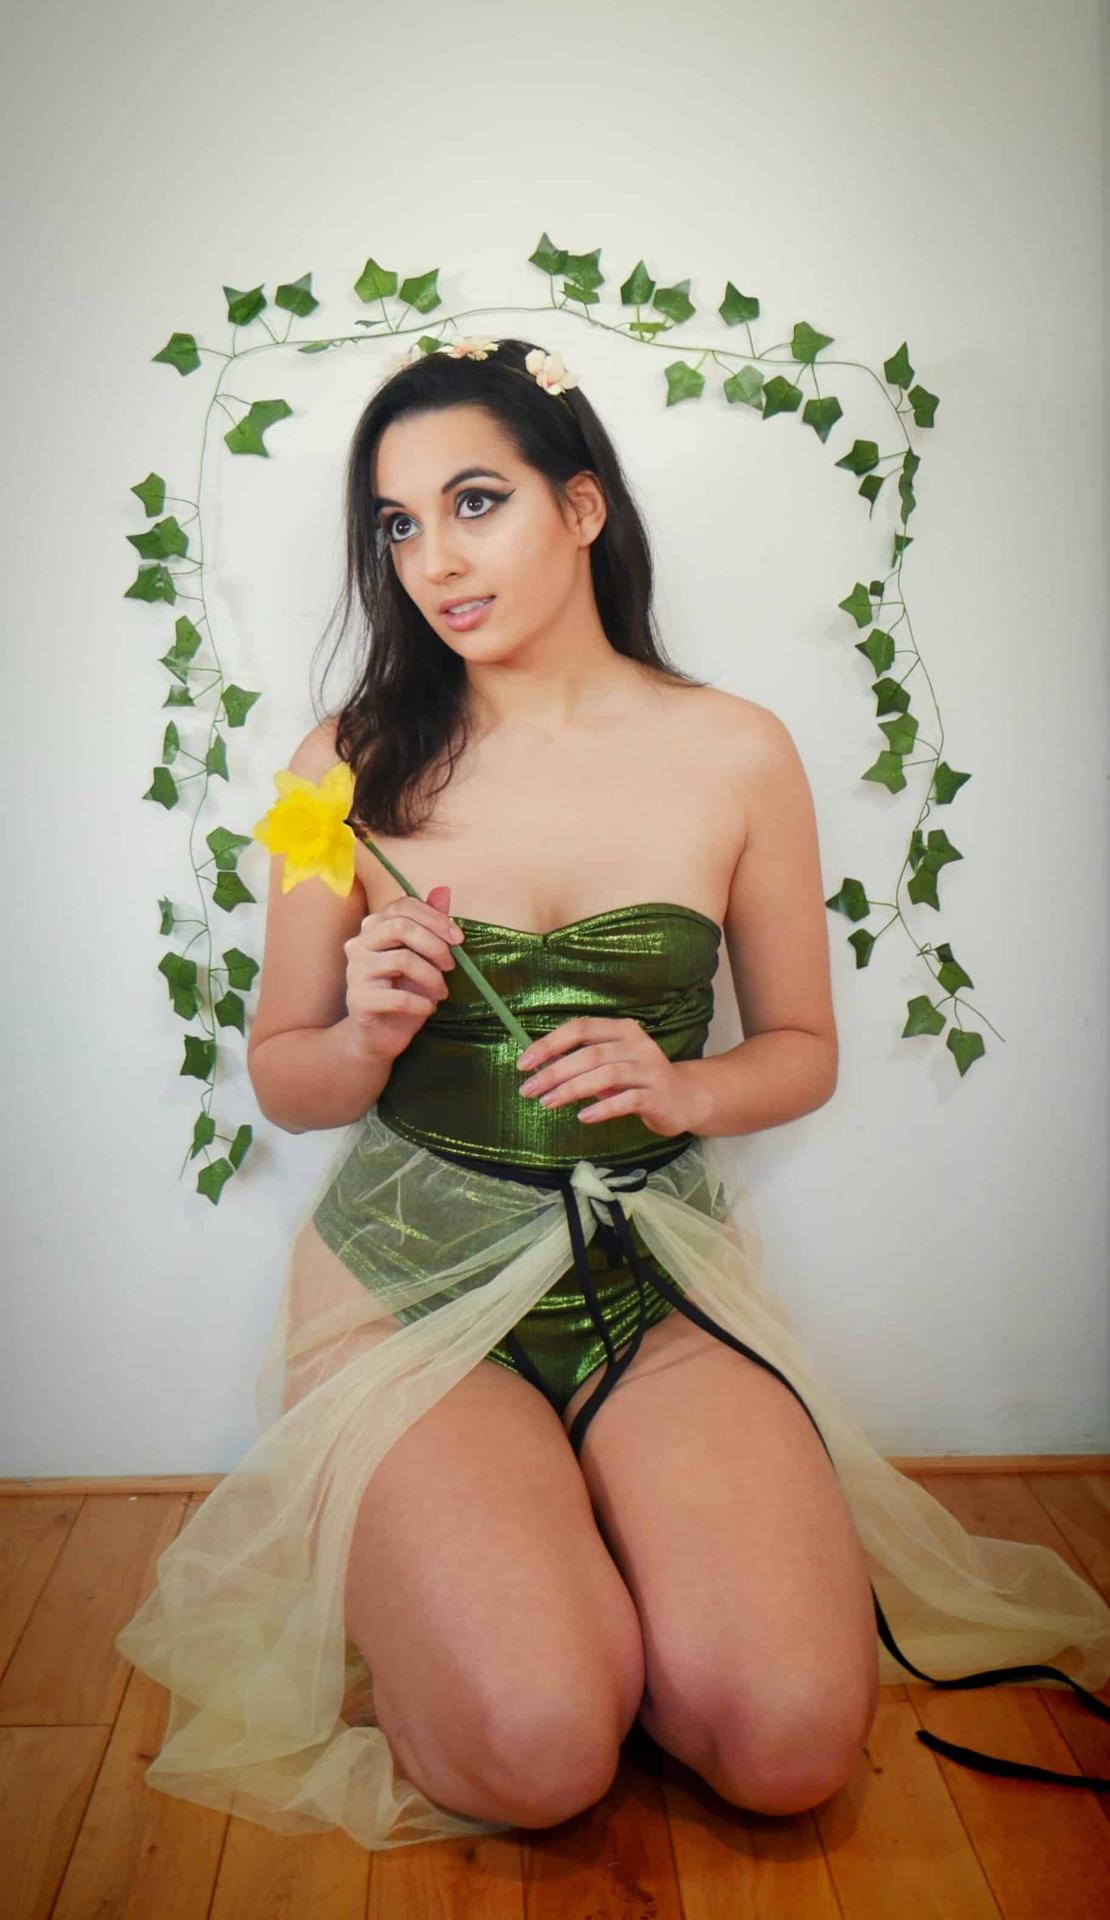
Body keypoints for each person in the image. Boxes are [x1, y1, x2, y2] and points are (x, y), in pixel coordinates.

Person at [114, 336, 1110, 1853]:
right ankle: (527, 1599)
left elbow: (803, 1048)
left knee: (789, 1743)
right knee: (535, 1751)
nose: (435, 561)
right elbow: (284, 1078)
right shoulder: (340, 766)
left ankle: (602, 1579)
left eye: (475, 502)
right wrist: (367, 1035)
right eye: (397, 524)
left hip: (653, 1285)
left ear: (580, 507)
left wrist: (685, 1085)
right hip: (409, 1288)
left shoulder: (738, 753)